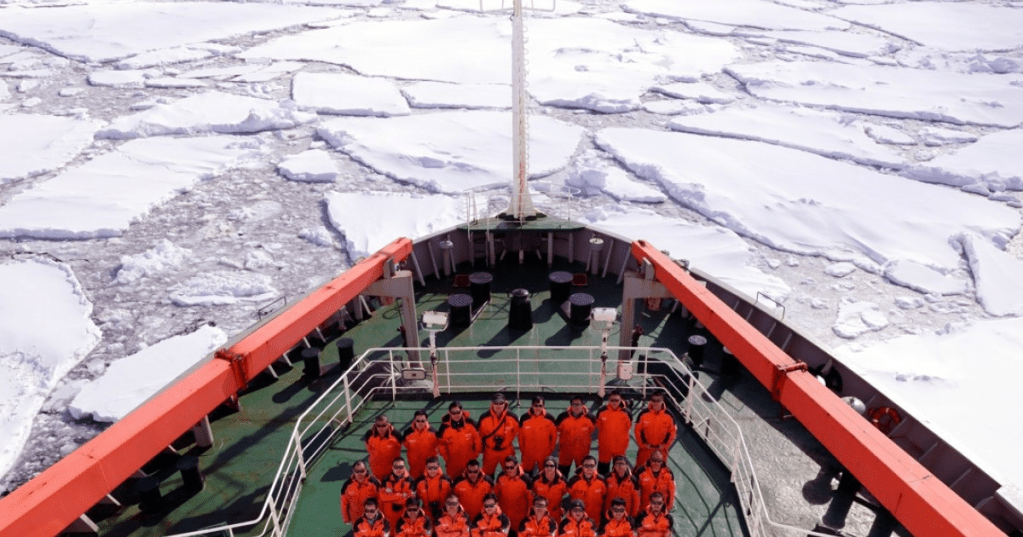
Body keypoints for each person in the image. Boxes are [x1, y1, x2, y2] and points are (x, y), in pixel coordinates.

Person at [478, 393, 521, 476]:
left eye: (501, 403)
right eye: (496, 403)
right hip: (490, 452)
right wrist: (481, 450)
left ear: (505, 403)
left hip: (507, 450)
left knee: (510, 473)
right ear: (492, 404)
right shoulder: (484, 418)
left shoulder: (512, 418)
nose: (498, 405)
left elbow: (519, 433)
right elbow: (479, 436)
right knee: (487, 475)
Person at [439, 402, 483, 479]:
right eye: (453, 413)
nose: (456, 415)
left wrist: (474, 456)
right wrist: (447, 459)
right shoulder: (444, 427)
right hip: (452, 464)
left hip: (469, 463)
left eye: (458, 412)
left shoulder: (471, 423)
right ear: (449, 413)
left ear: (462, 411)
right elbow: (441, 445)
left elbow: (478, 441)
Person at [555, 397, 596, 477]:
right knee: (562, 475)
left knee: (581, 475)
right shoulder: (562, 417)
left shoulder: (590, 418)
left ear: (582, 405)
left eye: (578, 404)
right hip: (565, 452)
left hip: (582, 452)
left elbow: (595, 430)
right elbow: (555, 431)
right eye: (574, 404)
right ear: (571, 405)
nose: (576, 407)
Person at [633, 393, 676, 468]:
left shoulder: (669, 416)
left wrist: (665, 446)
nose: (656, 403)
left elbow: (672, 432)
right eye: (654, 400)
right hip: (646, 450)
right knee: (640, 469)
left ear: (662, 402)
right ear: (651, 401)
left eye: (658, 400)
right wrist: (643, 445)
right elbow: (637, 431)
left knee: (660, 471)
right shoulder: (643, 414)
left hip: (661, 451)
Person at [595, 391, 632, 475]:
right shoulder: (602, 411)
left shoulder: (627, 413)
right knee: (602, 470)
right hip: (605, 446)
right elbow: (598, 426)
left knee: (619, 470)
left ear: (620, 400)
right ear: (608, 400)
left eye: (616, 400)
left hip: (620, 447)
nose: (614, 402)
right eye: (612, 400)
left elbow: (628, 426)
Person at [518, 396, 557, 475]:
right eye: (536, 405)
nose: (538, 408)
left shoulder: (549, 418)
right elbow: (520, 436)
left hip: (544, 454)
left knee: (544, 476)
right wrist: (523, 450)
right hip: (528, 454)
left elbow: (554, 436)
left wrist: (549, 450)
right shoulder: (524, 418)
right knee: (526, 475)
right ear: (532, 406)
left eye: (540, 406)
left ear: (543, 406)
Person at [493, 455, 533, 531]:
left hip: (520, 521)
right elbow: (495, 496)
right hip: (504, 520)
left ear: (517, 465)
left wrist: (528, 518)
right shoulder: (501, 477)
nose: (509, 470)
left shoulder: (526, 479)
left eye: (511, 467)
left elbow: (530, 502)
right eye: (507, 468)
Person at [566, 455, 607, 525]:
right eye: (586, 465)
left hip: (595, 522)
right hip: (576, 522)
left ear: (595, 467)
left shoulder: (602, 481)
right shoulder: (573, 481)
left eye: (591, 466)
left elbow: (605, 499)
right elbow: (566, 499)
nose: (589, 468)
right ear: (582, 466)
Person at [380, 457, 416, 531]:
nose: (399, 469)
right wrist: (401, 495)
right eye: (396, 467)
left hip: (403, 517)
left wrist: (390, 496)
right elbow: (382, 497)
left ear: (404, 467)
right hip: (388, 517)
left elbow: (410, 500)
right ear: (392, 467)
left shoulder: (411, 481)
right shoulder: (385, 480)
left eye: (401, 467)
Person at [366, 415, 405, 481]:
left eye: (384, 425)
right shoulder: (370, 436)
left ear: (388, 425)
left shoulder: (396, 437)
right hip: (376, 473)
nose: (381, 428)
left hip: (391, 474)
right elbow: (369, 449)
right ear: (375, 426)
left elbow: (402, 441)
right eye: (378, 426)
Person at [415, 456, 454, 522]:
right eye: (430, 468)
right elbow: (415, 500)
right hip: (426, 514)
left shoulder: (447, 480)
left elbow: (452, 499)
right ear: (426, 468)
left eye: (435, 468)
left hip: (443, 513)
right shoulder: (419, 482)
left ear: (438, 467)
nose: (432, 470)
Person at [404, 410, 439, 480]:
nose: (420, 423)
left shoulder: (434, 433)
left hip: (429, 470)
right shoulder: (408, 433)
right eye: (418, 420)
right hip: (414, 470)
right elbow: (405, 445)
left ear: (426, 421)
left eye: (422, 421)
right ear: (414, 421)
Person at [531, 456, 568, 521]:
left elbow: (567, 496)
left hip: (556, 515)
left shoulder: (562, 483)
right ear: (544, 468)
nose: (549, 468)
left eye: (551, 466)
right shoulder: (536, 482)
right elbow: (532, 495)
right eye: (546, 466)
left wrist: (563, 509)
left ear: (556, 468)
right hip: (541, 515)